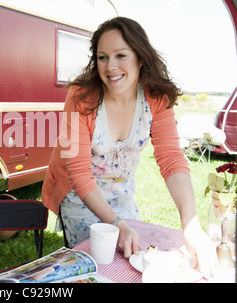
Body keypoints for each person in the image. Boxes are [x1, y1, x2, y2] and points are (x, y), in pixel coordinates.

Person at [41, 17, 216, 278]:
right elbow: (77, 172)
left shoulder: (157, 98)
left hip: (123, 193)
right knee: (95, 269)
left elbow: (171, 159)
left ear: (140, 58)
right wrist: (115, 224)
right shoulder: (80, 97)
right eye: (102, 57)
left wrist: (190, 225)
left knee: (132, 262)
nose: (110, 66)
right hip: (79, 196)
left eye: (121, 55)